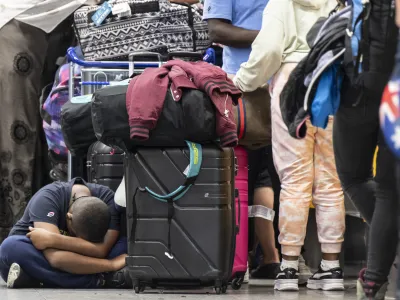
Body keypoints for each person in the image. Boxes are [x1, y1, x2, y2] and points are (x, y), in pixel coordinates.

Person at [233, 0, 345, 292]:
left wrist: (243, 81)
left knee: (295, 179)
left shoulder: (281, 3)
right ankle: (331, 268)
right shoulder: (336, 2)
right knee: (331, 180)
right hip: (331, 82)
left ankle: (289, 268)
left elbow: (269, 50)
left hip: (292, 83)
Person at [0, 0, 103, 243]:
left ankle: (56, 221)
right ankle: (19, 227)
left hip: (72, 22)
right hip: (22, 19)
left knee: (58, 127)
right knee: (18, 129)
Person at [203, 0, 284, 282]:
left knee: (273, 173)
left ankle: (275, 257)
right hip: (243, 84)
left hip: (281, 80)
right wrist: (272, 37)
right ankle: (256, 256)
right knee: (250, 172)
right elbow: (217, 31)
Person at [332, 0, 398, 298]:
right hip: (387, 82)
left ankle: (374, 278)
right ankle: (374, 279)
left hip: (360, 80)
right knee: (387, 189)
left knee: (355, 176)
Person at [0, 178, 130, 289]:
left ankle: (40, 278)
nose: (79, 242)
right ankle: (100, 279)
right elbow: (56, 258)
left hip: (88, 256)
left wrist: (52, 239)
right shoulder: (47, 198)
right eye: (75, 234)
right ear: (69, 217)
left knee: (125, 244)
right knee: (10, 247)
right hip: (43, 255)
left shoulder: (108, 200)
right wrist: (111, 265)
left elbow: (102, 250)